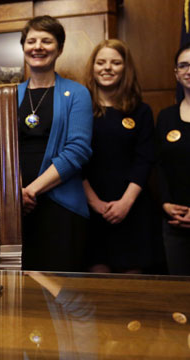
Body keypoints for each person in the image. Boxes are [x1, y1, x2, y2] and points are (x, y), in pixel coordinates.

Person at [17, 16, 93, 272]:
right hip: (16, 210)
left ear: (59, 48)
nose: (38, 46)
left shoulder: (78, 93)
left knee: (66, 296)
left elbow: (77, 151)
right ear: (24, 47)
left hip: (62, 208)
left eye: (46, 41)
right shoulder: (8, 95)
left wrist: (31, 191)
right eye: (31, 41)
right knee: (23, 295)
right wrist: (16, 191)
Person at [82, 39, 155, 274]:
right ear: (92, 68)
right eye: (101, 62)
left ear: (126, 69)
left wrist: (125, 203)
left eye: (115, 63)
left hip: (132, 209)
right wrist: (95, 203)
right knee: (97, 291)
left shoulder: (141, 111)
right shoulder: (80, 108)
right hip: (91, 208)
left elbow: (144, 160)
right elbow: (74, 160)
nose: (107, 68)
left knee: (132, 291)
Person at [155, 42, 190, 275]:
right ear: (176, 74)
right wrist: (165, 203)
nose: (189, 70)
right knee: (179, 298)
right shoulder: (166, 117)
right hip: (175, 224)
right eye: (183, 65)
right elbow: (159, 166)